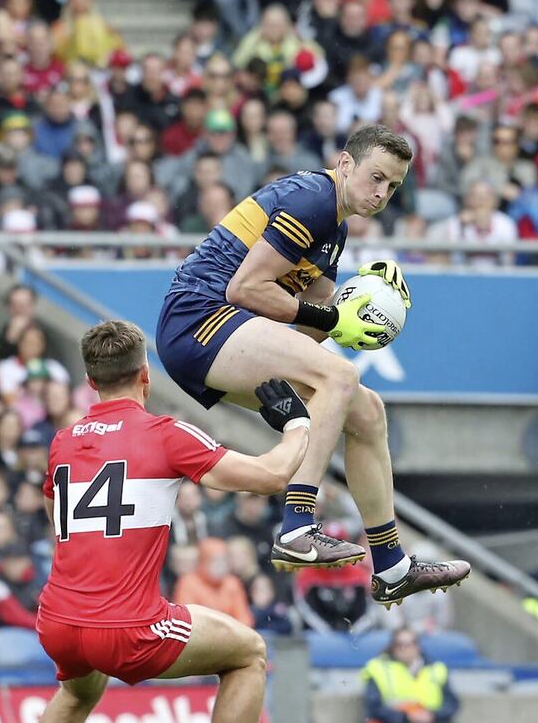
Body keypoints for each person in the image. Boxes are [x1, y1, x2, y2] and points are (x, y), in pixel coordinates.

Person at [7, 320, 311, 723]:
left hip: (58, 620)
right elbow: (271, 477)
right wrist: (297, 426)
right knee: (249, 653)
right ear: (145, 375)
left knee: (76, 693)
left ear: (89, 381)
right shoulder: (165, 433)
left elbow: (66, 516)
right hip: (127, 625)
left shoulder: (62, 441)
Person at [155, 123, 470, 605]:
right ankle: (297, 527)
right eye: (376, 178)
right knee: (339, 375)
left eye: (393, 186)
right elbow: (246, 289)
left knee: (367, 412)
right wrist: (333, 314)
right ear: (346, 164)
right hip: (198, 319)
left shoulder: (335, 225)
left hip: (220, 326)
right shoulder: (313, 199)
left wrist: (359, 313)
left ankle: (391, 566)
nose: (382, 193)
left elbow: (314, 328)